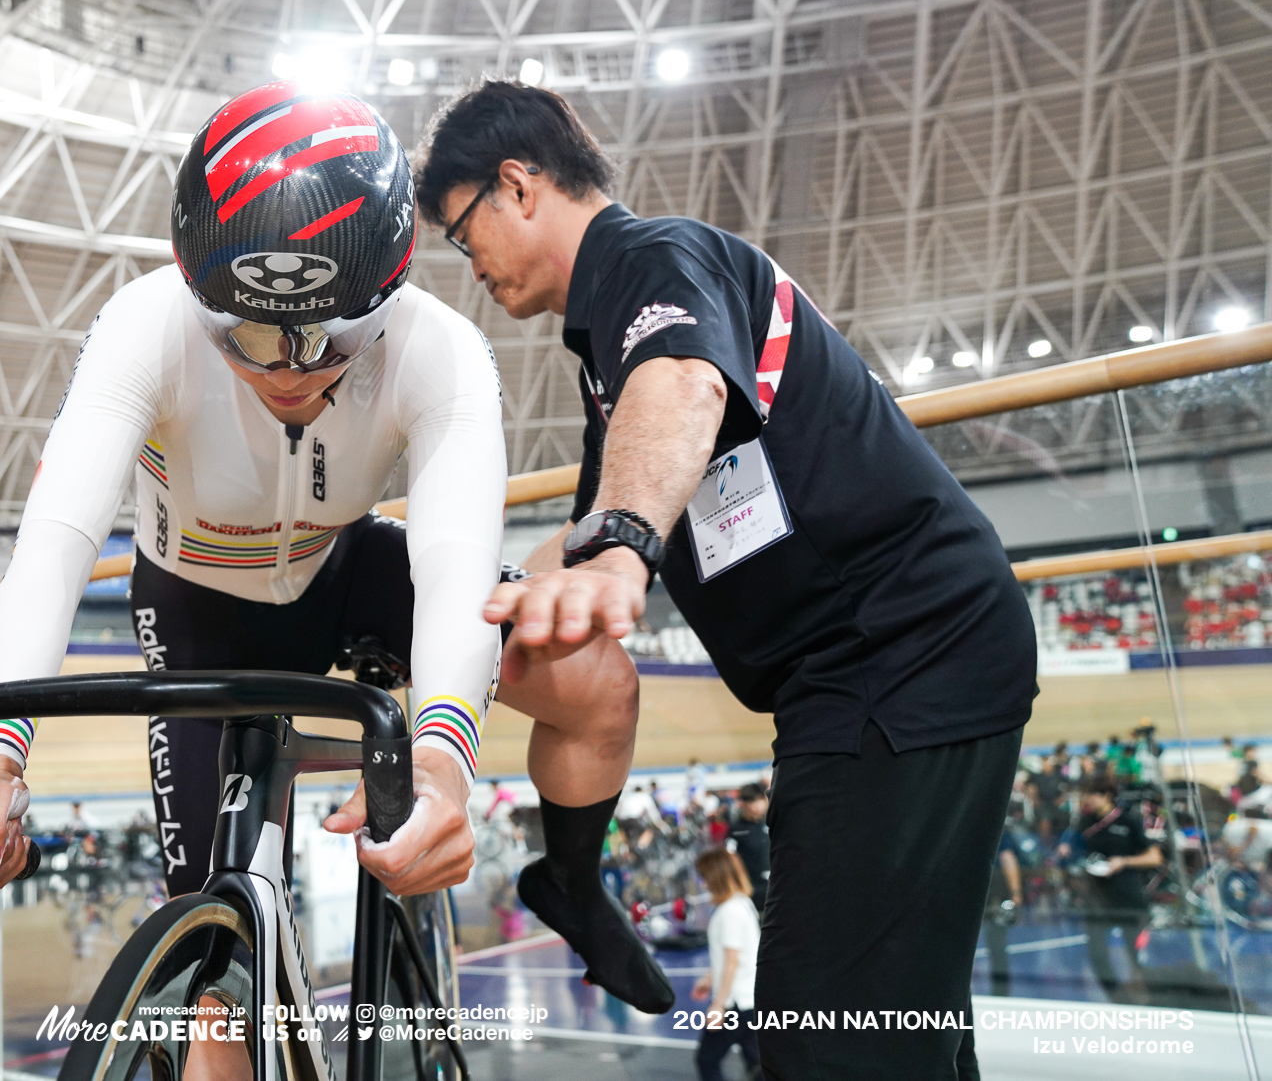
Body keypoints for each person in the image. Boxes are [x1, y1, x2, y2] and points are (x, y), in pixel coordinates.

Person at [0, 82, 673, 1013]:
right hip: (197, 611)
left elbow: (453, 572)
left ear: (390, 294)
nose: (286, 367)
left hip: (348, 568)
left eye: (325, 336)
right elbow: (51, 553)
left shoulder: (443, 350)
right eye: (247, 333)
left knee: (599, 684)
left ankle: (578, 887)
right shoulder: (142, 324)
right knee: (217, 998)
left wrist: (440, 762)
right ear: (197, 291)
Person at [417, 80, 1039, 1077]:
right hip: (869, 670)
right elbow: (578, 538)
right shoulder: (609, 349)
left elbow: (684, 385)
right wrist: (454, 597)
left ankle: (574, 882)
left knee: (823, 1040)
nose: (470, 265)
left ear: (517, 185)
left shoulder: (650, 259)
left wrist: (627, 541)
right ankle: (571, 881)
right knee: (895, 1022)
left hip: (905, 653)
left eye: (460, 232)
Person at [1066, 773, 1162, 1000]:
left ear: (1107, 796)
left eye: (1091, 794)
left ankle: (1149, 999)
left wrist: (1123, 861)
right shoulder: (1083, 823)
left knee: (1136, 953)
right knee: (1097, 953)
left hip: (1128, 897)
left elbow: (1154, 857)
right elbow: (1075, 852)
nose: (1087, 799)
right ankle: (1117, 998)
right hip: (1097, 898)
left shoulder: (1127, 821)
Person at [692, 846, 760, 1081]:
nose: (703, 883)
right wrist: (709, 979)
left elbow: (732, 961)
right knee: (757, 1064)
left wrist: (718, 1005)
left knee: (707, 1060)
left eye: (705, 877)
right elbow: (732, 955)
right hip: (750, 1000)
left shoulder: (729, 911)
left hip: (736, 1005)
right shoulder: (742, 903)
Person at [982, 826, 1024, 996]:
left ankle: (1000, 991)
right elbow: (1008, 857)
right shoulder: (998, 826)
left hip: (992, 893)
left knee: (996, 944)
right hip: (991, 892)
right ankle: (1000, 992)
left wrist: (1015, 893)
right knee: (996, 945)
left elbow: (1008, 858)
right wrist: (1016, 893)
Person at [725, 783, 770, 913]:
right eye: (752, 801)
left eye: (760, 800)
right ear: (743, 803)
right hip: (751, 891)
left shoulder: (774, 824)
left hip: (776, 890)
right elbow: (730, 860)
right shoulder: (736, 830)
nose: (757, 806)